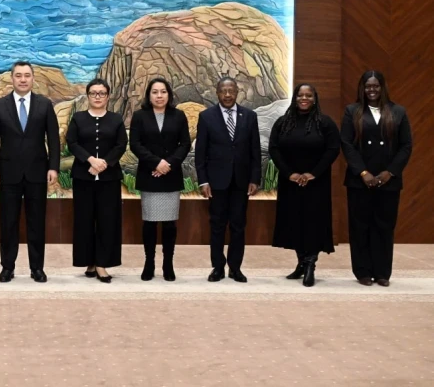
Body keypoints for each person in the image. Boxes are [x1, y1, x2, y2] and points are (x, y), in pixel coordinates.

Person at [0, 61, 60, 283]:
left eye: (27, 75)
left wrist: (53, 167)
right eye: (18, 75)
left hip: (37, 173)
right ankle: (7, 267)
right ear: (12, 78)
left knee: (36, 223)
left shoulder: (44, 104)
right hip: (8, 174)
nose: (23, 79)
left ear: (33, 78)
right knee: (8, 223)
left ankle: (37, 268)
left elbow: (53, 139)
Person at [340, 71, 412, 287]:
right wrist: (363, 172)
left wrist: (390, 172)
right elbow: (347, 144)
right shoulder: (352, 111)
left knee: (384, 226)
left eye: (376, 86)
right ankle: (362, 271)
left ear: (382, 87)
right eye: (368, 86)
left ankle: (382, 273)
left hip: (389, 180)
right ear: (362, 88)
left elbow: (406, 145)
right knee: (360, 226)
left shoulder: (398, 111)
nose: (372, 90)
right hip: (359, 180)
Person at [269, 83, 340, 287]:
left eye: (309, 95)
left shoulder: (325, 123)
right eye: (300, 95)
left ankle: (310, 265)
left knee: (313, 224)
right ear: (295, 98)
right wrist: (289, 173)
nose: (304, 98)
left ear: (315, 99)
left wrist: (313, 173)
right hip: (290, 182)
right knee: (294, 223)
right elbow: (274, 148)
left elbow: (333, 149)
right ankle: (301, 262)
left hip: (316, 183)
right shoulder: (283, 122)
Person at [195, 77, 261, 283]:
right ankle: (217, 267)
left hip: (241, 181)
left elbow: (255, 151)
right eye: (223, 91)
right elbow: (200, 153)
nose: (227, 94)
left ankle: (235, 268)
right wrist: (203, 181)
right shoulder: (206, 116)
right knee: (217, 225)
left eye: (231, 90)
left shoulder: (249, 116)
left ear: (237, 92)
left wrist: (255, 178)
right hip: (217, 181)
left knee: (238, 226)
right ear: (217, 93)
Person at [130, 78, 191, 282]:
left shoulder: (178, 116)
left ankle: (168, 264)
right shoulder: (140, 116)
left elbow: (185, 144)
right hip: (149, 175)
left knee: (169, 224)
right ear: (149, 95)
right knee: (149, 223)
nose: (159, 96)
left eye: (163, 92)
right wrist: (156, 163)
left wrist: (168, 164)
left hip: (171, 176)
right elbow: (135, 144)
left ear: (169, 94)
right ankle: (149, 262)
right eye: (155, 92)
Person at [66, 79, 127, 283]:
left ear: (108, 96)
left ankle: (102, 263)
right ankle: (89, 261)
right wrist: (90, 160)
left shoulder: (116, 119)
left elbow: (121, 144)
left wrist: (105, 163)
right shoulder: (78, 118)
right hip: (83, 177)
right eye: (93, 93)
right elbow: (72, 142)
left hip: (109, 178)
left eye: (102, 93)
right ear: (88, 96)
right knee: (84, 220)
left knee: (107, 221)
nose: (98, 96)